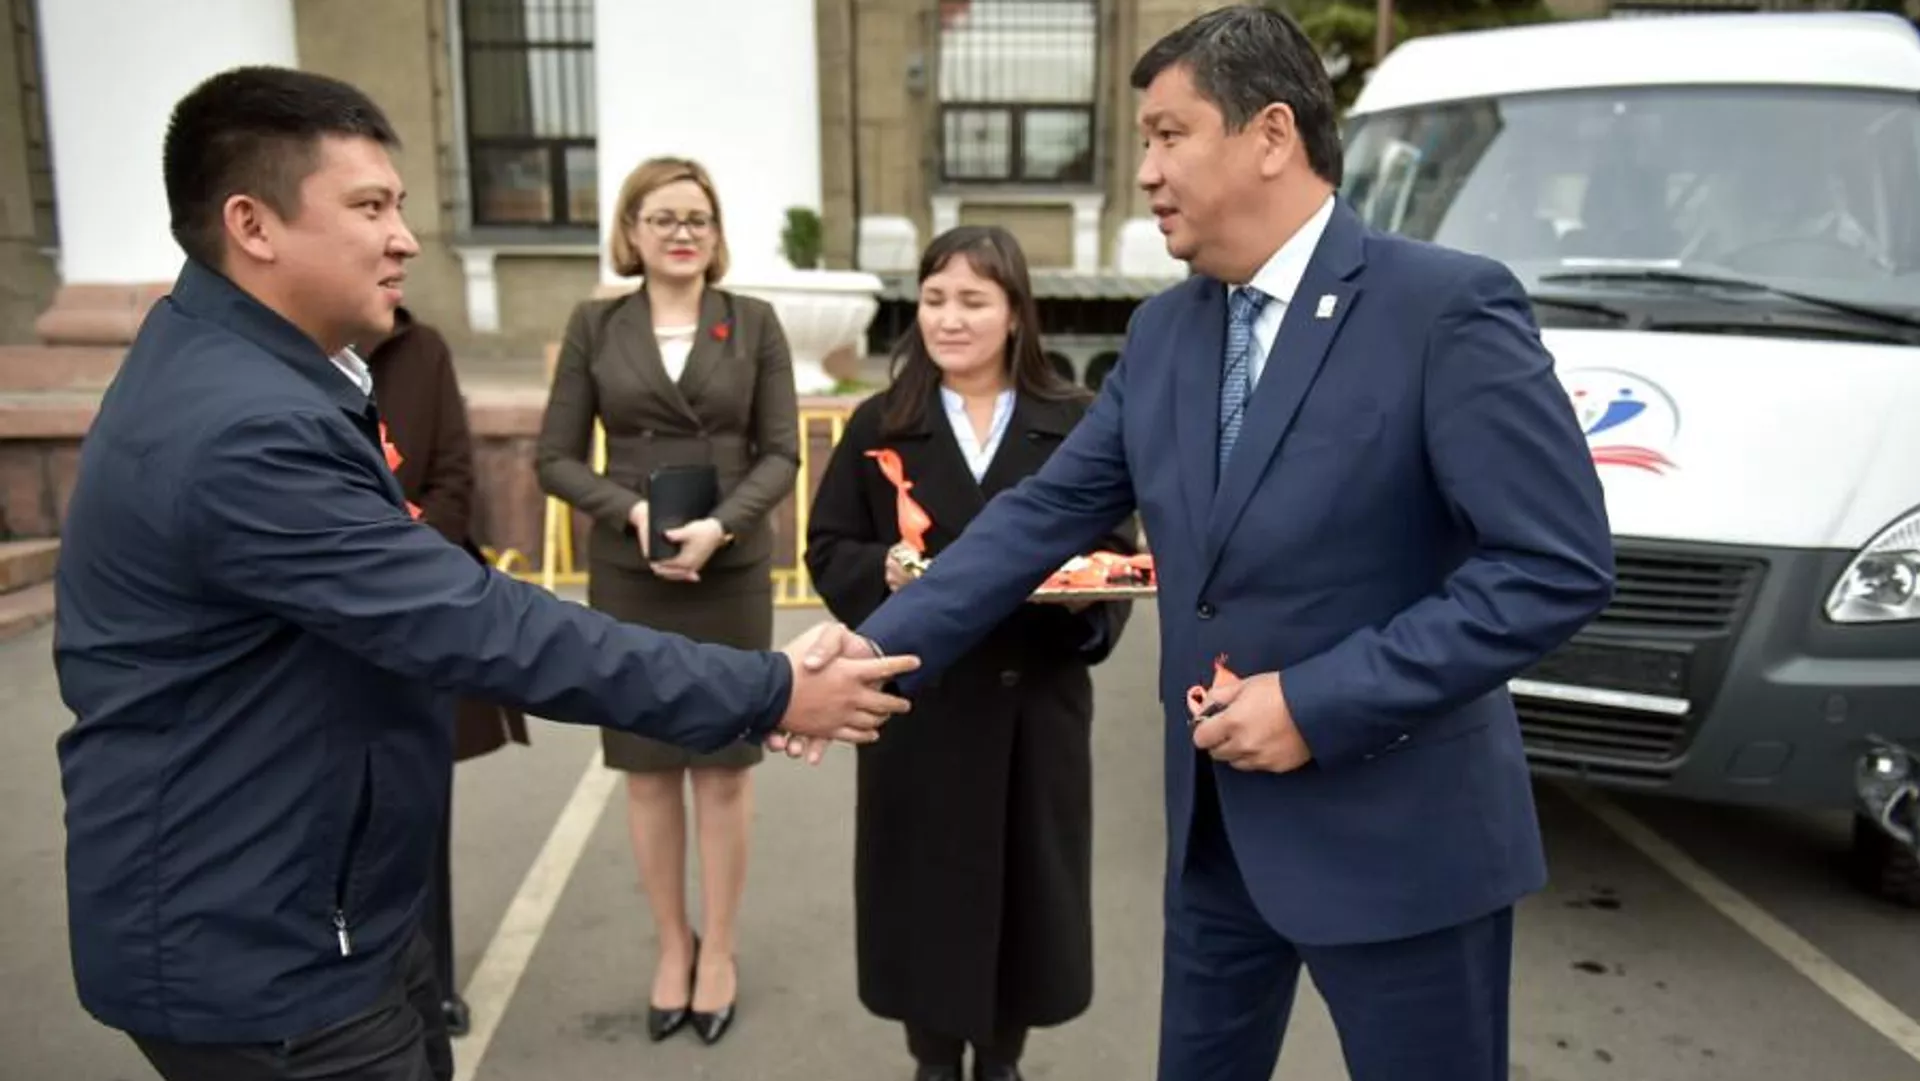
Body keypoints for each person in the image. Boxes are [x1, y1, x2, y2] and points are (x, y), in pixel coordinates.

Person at [786, 7, 1616, 1081]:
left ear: (1270, 135)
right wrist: (875, 645)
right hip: (1219, 840)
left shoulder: (1443, 308)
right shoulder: (1167, 331)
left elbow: (1553, 566)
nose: (1146, 171)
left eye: (1169, 135)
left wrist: (1318, 702)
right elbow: (1039, 517)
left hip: (1405, 845)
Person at [51, 65, 914, 1081]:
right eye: (369, 206)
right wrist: (772, 688)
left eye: (400, 205)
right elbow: (481, 624)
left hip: (320, 901)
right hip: (266, 953)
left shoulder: (249, 370)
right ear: (253, 224)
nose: (405, 238)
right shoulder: (244, 425)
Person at [803, 226, 1134, 1081]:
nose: (949, 319)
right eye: (934, 299)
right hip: (919, 705)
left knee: (1030, 894)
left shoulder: (1076, 422)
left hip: (1036, 703)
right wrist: (881, 571)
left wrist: (1084, 595)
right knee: (923, 894)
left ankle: (1002, 1057)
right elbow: (828, 544)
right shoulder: (883, 422)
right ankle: (931, 1057)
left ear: (1016, 313)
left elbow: (1116, 546)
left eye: (974, 301)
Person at [535, 155, 799, 1046]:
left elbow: (781, 451)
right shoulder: (595, 324)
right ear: (631, 231)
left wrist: (721, 525)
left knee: (723, 767)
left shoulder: (753, 322)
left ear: (716, 233)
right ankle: (671, 944)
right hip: (630, 569)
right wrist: (635, 512)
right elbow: (555, 457)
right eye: (663, 217)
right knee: (647, 770)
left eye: (697, 217)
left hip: (729, 568)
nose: (682, 232)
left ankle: (718, 946)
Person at [364, 307, 530, 1037]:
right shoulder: (270, 355)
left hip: (415, 613)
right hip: (314, 631)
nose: (402, 251)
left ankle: (430, 984)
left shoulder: (420, 347)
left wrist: (399, 567)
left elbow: (455, 479)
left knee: (419, 812)